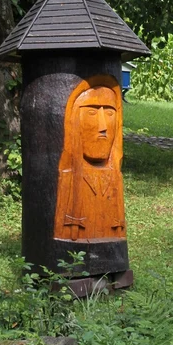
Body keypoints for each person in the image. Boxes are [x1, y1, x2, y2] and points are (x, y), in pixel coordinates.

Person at [54, 78, 126, 241]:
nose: (103, 126)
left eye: (109, 113)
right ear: (74, 122)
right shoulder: (67, 181)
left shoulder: (116, 180)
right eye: (92, 113)